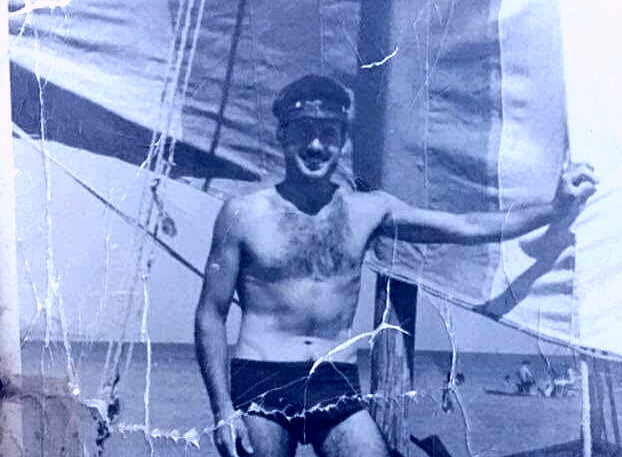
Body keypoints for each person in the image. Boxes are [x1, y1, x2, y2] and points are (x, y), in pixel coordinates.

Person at [194, 74, 598, 457]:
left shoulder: (367, 210)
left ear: (343, 140)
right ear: (283, 134)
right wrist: (222, 410)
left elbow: (466, 226)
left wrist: (553, 208)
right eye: (303, 131)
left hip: (334, 379)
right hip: (262, 377)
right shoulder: (242, 214)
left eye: (328, 133)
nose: (316, 145)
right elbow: (211, 313)